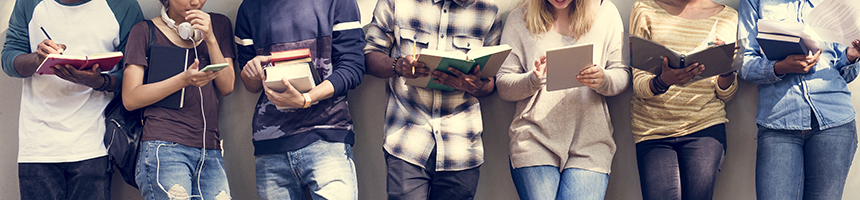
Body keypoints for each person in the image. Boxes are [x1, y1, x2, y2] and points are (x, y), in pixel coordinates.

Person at [1, 0, 142, 198]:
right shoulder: (29, 3)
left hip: (94, 144)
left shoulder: (123, 6)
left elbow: (134, 74)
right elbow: (8, 59)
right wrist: (37, 59)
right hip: (38, 143)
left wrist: (99, 81)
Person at [363, 0, 500, 199]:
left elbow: (491, 82)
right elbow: (369, 55)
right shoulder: (395, 3)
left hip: (462, 145)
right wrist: (399, 66)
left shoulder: (488, 10)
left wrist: (474, 86)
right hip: (406, 138)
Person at [495, 0, 629, 199]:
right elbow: (503, 84)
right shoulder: (519, 18)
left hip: (591, 143)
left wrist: (603, 79)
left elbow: (623, 75)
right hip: (534, 140)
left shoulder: (605, 12)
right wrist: (533, 80)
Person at [234, 0, 366, 199]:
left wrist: (307, 98)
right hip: (271, 145)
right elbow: (250, 85)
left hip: (327, 137)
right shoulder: (249, 8)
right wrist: (252, 72)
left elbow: (353, 67)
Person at [738, 0, 860, 199]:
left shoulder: (834, 3)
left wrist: (852, 55)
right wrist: (780, 67)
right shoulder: (755, 2)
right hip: (778, 124)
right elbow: (743, 62)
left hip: (834, 123)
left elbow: (844, 74)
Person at [120, 0, 234, 199]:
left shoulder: (219, 25)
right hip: (163, 148)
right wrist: (183, 80)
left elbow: (227, 86)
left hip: (210, 149)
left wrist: (211, 39)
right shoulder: (144, 31)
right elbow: (130, 98)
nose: (196, 2)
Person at [628, 0, 738, 199]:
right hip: (653, 131)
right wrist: (662, 81)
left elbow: (725, 93)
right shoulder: (644, 9)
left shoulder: (728, 17)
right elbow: (639, 85)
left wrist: (727, 70)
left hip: (705, 127)